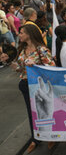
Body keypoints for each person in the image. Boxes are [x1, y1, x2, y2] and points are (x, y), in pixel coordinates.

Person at [12, 24, 55, 153]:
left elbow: (52, 67)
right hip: (25, 85)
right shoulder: (22, 49)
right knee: (31, 113)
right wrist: (16, 67)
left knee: (43, 112)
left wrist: (35, 65)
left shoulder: (41, 49)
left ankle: (49, 136)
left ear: (29, 34)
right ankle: (35, 138)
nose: (19, 35)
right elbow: (22, 68)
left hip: (38, 86)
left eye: (21, 33)